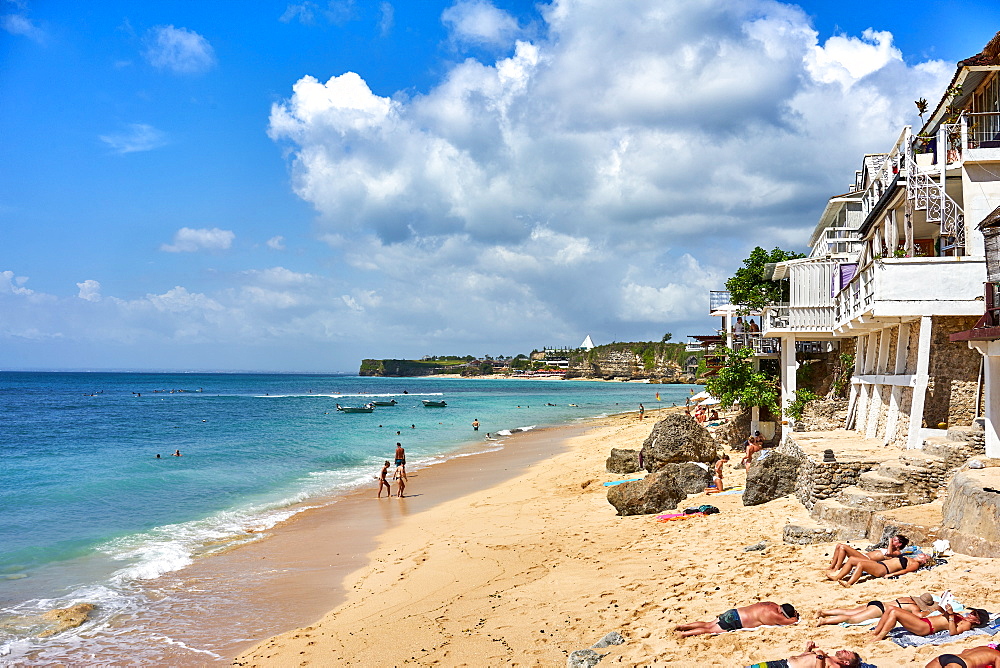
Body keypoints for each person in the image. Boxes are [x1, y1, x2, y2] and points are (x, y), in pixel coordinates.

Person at [675, 601, 799, 637]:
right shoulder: (776, 615)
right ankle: (685, 634)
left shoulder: (771, 604)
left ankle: (684, 626)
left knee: (708, 624)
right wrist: (795, 616)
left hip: (734, 612)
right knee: (709, 630)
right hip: (737, 621)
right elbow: (793, 621)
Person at [871, 603, 987, 641]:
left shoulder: (966, 624)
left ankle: (879, 637)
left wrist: (951, 615)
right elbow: (943, 615)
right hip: (923, 621)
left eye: (974, 615)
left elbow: (953, 632)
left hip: (926, 627)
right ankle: (876, 631)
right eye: (972, 612)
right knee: (891, 608)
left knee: (895, 613)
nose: (970, 614)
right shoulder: (961, 616)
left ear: (977, 622)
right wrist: (942, 607)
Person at [816, 594, 939, 626]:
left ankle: (824, 612)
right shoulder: (914, 606)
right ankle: (823, 621)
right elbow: (919, 616)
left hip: (878, 603)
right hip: (879, 609)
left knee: (849, 611)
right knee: (852, 619)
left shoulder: (907, 598)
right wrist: (929, 611)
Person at [827, 552, 931, 587]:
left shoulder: (915, 564)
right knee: (852, 559)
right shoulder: (910, 557)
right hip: (880, 564)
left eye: (925, 556)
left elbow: (905, 571)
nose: (922, 554)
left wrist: (891, 575)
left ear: (924, 561)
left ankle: (849, 583)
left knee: (861, 564)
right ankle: (837, 577)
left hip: (884, 569)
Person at [746, 641, 862, 668]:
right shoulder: (827, 656)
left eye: (848, 653)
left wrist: (820, 656)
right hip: (783, 662)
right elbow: (805, 659)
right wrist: (808, 649)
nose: (845, 650)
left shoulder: (835, 666)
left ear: (847, 662)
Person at [828, 535, 909, 571]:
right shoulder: (891, 549)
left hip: (867, 559)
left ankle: (836, 568)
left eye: (895, 540)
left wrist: (890, 542)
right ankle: (832, 566)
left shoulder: (897, 552)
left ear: (899, 544)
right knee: (839, 545)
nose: (892, 541)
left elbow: (888, 554)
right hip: (864, 556)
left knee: (843, 547)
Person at [925, 646, 1000, 668]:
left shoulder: (984, 647)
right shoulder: (998, 655)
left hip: (946, 657)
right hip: (960, 664)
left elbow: (965, 650)